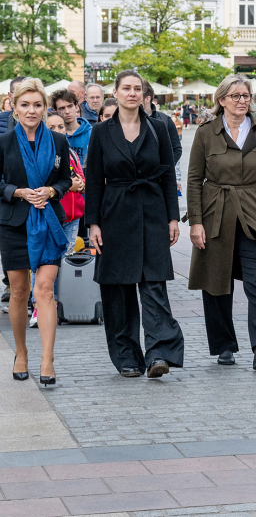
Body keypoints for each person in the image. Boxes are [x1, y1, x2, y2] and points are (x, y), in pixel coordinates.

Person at [187, 74, 256, 370]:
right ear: (221, 99)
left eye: (246, 96)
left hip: (255, 213)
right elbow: (194, 180)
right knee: (216, 283)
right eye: (235, 96)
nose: (242, 101)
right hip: (215, 213)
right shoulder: (206, 132)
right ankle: (224, 346)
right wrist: (195, 222)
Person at [85, 70, 185, 379]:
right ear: (114, 93)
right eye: (126, 88)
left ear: (144, 95)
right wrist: (93, 224)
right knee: (119, 288)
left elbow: (169, 175)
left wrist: (172, 216)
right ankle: (126, 355)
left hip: (152, 210)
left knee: (154, 284)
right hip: (114, 212)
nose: (132, 93)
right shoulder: (101, 132)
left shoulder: (158, 128)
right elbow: (93, 182)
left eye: (137, 88)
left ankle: (159, 353)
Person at [1, 78, 72, 386]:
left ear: (45, 108)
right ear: (14, 108)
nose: (32, 110)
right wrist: (18, 192)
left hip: (49, 222)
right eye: (25, 105)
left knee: (44, 290)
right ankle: (21, 353)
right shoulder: (3, 143)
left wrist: (52, 192)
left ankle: (47, 359)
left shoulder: (58, 141)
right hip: (14, 223)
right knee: (18, 292)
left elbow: (65, 180)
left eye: (37, 105)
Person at [44, 114, 85, 250]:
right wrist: (69, 186)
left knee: (68, 257)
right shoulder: (43, 154)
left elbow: (82, 180)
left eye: (61, 127)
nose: (58, 130)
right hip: (53, 216)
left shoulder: (71, 153)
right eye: (52, 127)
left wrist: (80, 184)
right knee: (49, 258)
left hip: (73, 217)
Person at [142, 81, 182, 192]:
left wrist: (164, 169)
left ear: (147, 99)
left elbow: (176, 148)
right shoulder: (129, 121)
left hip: (160, 181)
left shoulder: (165, 120)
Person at [50, 89, 92, 168]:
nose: (67, 111)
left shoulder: (91, 133)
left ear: (76, 107)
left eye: (70, 106)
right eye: (62, 108)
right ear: (55, 111)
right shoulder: (52, 135)